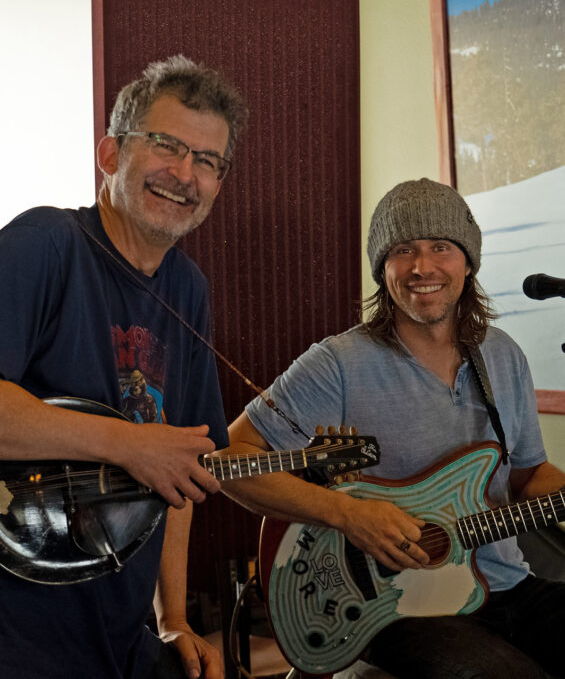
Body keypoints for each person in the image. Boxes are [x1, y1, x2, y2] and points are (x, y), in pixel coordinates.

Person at [223, 178, 565, 679]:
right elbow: (231, 459)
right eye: (403, 250)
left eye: (441, 247)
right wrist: (346, 515)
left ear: (467, 263)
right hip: (396, 604)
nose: (422, 266)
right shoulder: (338, 363)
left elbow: (527, 478)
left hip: (506, 583)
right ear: (383, 270)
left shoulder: (503, 354)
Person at [0, 55, 247, 679]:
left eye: (208, 161)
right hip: (17, 631)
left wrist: (175, 619)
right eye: (167, 145)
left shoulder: (188, 288)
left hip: (120, 631)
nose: (185, 173)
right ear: (110, 154)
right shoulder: (44, 243)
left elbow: (181, 472)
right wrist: (130, 445)